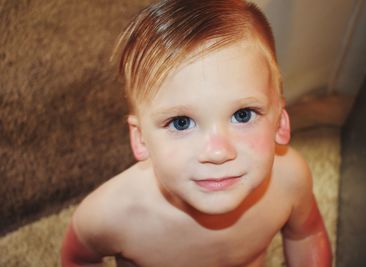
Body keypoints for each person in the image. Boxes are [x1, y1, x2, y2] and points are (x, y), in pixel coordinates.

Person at [61, 0, 332, 266]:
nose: (217, 152)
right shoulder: (110, 215)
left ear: (280, 123)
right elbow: (78, 258)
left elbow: (307, 234)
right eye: (181, 123)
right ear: (140, 138)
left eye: (243, 115)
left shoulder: (290, 180)